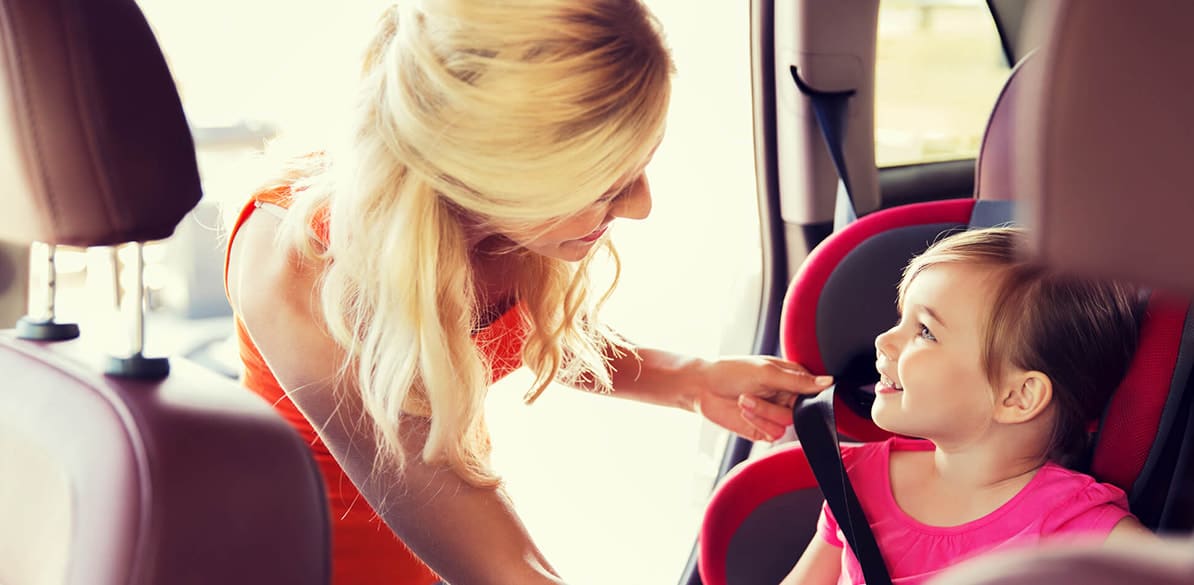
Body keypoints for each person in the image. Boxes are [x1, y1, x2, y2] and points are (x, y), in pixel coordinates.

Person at [223, 2, 825, 584]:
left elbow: (529, 331)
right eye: (607, 187)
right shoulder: (304, 266)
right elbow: (505, 569)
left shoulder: (487, 219)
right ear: (495, 176)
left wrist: (693, 380)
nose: (641, 207)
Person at [765, 227, 1156, 585]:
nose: (883, 340)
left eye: (925, 332)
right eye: (902, 319)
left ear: (1017, 397)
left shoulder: (1076, 532)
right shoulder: (856, 479)